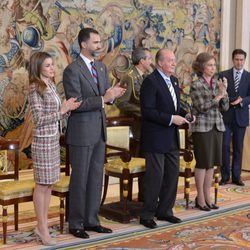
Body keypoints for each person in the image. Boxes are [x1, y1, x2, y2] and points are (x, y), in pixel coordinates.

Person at [63, 27, 125, 239]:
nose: (100, 46)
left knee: (96, 177)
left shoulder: (101, 67)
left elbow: (106, 96)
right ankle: (76, 223)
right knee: (80, 179)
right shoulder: (72, 70)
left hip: (99, 131)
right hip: (81, 133)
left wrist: (114, 95)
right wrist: (104, 99)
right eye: (96, 42)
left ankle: (92, 220)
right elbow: (76, 103)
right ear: (84, 44)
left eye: (100, 42)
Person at [28, 51, 81, 246]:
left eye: (52, 64)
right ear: (38, 68)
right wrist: (62, 110)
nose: (52, 68)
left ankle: (43, 225)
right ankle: (41, 226)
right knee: (42, 185)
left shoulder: (50, 85)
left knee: (49, 184)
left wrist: (68, 110)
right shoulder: (35, 88)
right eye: (48, 65)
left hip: (52, 140)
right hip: (42, 142)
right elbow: (38, 120)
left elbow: (56, 115)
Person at [139, 48, 192, 229]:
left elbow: (175, 108)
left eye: (174, 60)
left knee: (171, 175)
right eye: (170, 60)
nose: (174, 63)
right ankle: (147, 215)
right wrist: (171, 119)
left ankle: (165, 211)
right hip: (155, 137)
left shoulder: (175, 81)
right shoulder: (150, 82)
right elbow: (148, 111)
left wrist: (187, 114)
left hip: (171, 138)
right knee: (155, 177)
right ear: (160, 62)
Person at [190, 52, 229, 211]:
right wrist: (218, 96)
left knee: (212, 164)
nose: (213, 68)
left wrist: (224, 92)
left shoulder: (217, 83)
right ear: (201, 67)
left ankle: (208, 197)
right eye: (210, 65)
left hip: (217, 127)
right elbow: (202, 108)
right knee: (203, 163)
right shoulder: (196, 84)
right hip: (202, 128)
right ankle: (200, 198)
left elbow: (225, 108)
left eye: (214, 65)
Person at [218, 49, 250, 186]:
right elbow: (220, 93)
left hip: (241, 117)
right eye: (237, 59)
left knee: (238, 148)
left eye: (241, 60)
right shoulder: (223, 75)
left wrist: (242, 101)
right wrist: (231, 100)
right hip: (226, 116)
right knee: (224, 146)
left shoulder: (249, 76)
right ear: (233, 60)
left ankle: (236, 177)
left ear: (245, 60)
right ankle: (225, 176)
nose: (239, 62)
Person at [116, 47, 153, 156]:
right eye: (149, 58)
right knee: (138, 156)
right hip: (135, 124)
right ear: (142, 61)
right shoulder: (129, 77)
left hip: (145, 124)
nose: (151, 62)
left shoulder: (146, 76)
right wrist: (142, 111)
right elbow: (121, 102)